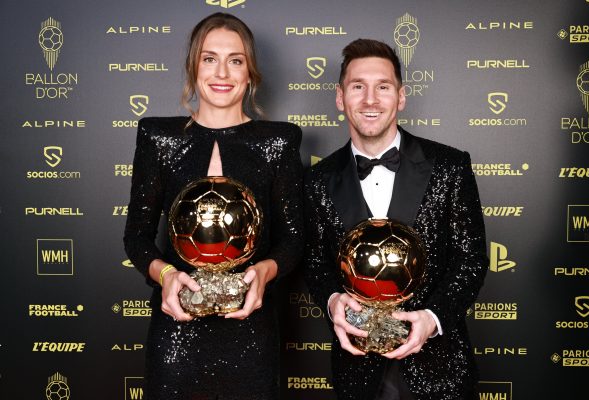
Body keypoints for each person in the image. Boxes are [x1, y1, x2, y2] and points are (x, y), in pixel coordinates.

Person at [124, 12, 303, 400]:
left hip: (251, 333)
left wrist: (264, 272)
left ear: (250, 72)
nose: (222, 72)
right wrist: (167, 275)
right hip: (176, 333)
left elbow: (292, 240)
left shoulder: (278, 142)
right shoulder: (158, 137)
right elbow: (136, 236)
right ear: (193, 67)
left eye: (235, 60)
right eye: (209, 58)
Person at [303, 39, 488, 400]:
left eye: (383, 87)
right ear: (341, 98)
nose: (370, 100)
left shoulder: (450, 167)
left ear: (400, 97)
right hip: (357, 373)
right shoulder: (316, 180)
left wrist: (432, 319)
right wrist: (331, 301)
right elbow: (314, 263)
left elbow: (471, 260)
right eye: (358, 87)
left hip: (440, 370)